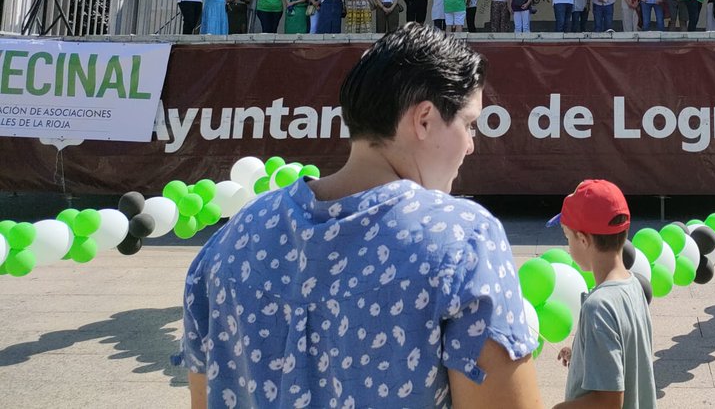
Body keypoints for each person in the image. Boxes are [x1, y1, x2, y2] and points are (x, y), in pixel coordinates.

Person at [183, 24, 542, 409]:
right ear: (424, 119)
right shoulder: (464, 240)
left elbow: (203, 396)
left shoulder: (232, 240)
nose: (471, 146)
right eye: (469, 124)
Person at [550, 180, 656, 409]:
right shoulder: (633, 285)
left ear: (583, 240)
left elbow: (608, 401)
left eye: (567, 237)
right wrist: (580, 354)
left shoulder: (598, 307)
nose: (568, 246)